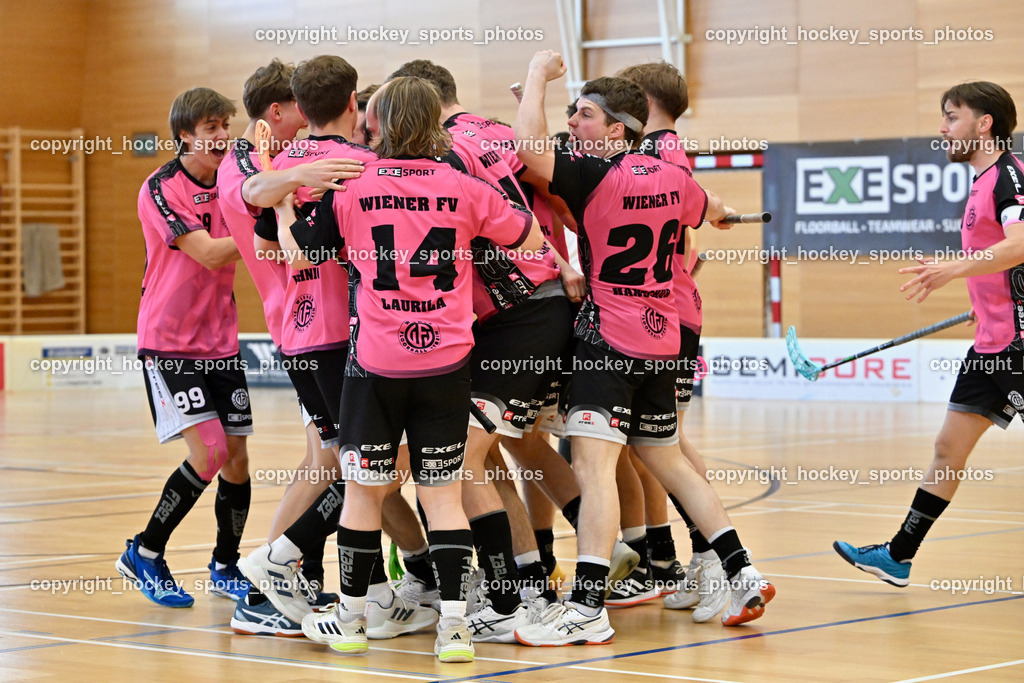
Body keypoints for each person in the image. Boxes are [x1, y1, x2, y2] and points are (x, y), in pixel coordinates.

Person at [511, 50, 776, 646]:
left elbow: (526, 145)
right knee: (669, 459)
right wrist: (722, 213)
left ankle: (585, 605)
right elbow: (707, 209)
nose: (574, 125)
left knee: (594, 468)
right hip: (663, 338)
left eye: (584, 115)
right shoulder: (676, 177)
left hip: (608, 337)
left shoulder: (591, 175)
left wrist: (535, 79)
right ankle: (743, 570)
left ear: (617, 129)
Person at [282, 76, 545, 662]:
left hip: (376, 365)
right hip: (447, 364)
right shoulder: (462, 185)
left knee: (364, 492)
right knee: (443, 496)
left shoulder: (352, 186)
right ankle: (454, 627)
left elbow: (300, 252)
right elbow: (528, 240)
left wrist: (280, 203)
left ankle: (350, 620)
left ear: (377, 124)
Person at [834, 81, 1024, 585]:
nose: (943, 129)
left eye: (952, 117)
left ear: (984, 123)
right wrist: (981, 300)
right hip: (992, 342)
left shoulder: (1008, 174)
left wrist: (954, 269)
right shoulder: (981, 181)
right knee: (948, 448)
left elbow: (1020, 244)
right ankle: (898, 555)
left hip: (1018, 346)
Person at [115, 88, 252, 608]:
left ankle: (226, 565)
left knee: (237, 458)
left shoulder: (235, 177)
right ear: (185, 137)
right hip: (169, 342)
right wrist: (271, 232)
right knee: (211, 452)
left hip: (220, 339)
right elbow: (212, 255)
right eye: (210, 127)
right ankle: (145, 553)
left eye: (226, 125)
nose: (221, 136)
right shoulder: (161, 188)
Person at [617, 60, 731, 617]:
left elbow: (683, 245)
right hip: (663, 314)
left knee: (669, 444)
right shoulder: (663, 150)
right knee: (649, 447)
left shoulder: (658, 154)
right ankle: (668, 559)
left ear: (640, 99)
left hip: (667, 318)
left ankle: (715, 558)